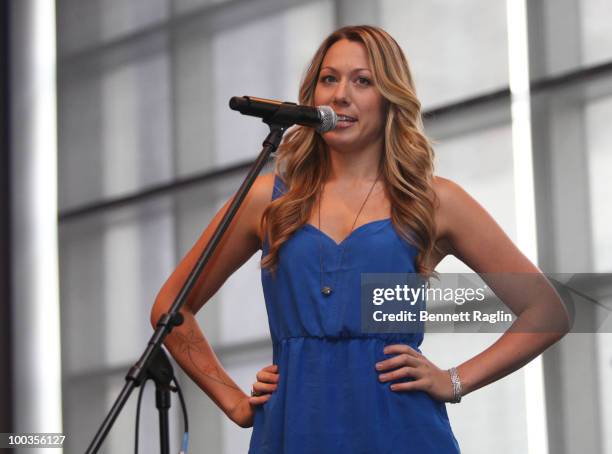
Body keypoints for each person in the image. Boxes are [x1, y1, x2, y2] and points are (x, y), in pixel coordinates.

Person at [151, 25, 569, 453]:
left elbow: (546, 312)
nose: (340, 94)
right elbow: (171, 307)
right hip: (292, 431)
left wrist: (454, 380)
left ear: (390, 98)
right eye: (329, 79)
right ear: (311, 96)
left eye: (362, 80)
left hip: (401, 432)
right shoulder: (267, 199)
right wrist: (234, 401)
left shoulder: (434, 200)